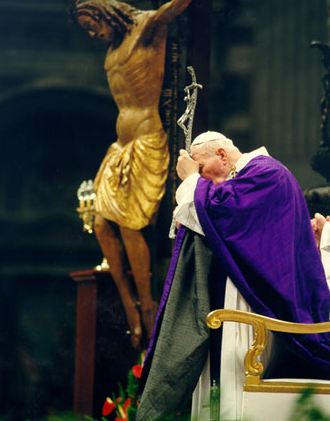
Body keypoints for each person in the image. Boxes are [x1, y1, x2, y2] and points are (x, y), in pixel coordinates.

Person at [69, 0, 229, 348]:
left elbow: (170, 8)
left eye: (93, 26)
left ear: (106, 12)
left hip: (145, 140)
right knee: (102, 224)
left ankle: (148, 303)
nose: (93, 35)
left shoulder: (144, 29)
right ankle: (129, 303)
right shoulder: (114, 47)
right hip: (119, 146)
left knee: (126, 223)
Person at [137, 131, 330, 421]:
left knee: (234, 385)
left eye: (203, 168)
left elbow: (221, 210)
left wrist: (190, 180)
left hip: (250, 312)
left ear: (223, 156)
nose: (203, 177)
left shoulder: (267, 173)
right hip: (240, 303)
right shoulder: (248, 177)